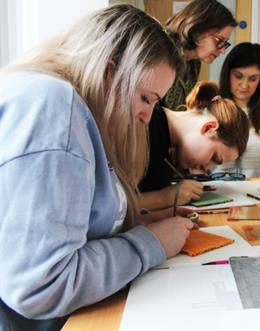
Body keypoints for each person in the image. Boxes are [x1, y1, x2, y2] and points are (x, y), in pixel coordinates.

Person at [0, 5, 188, 330]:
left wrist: (139, 222)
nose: (148, 116)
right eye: (146, 98)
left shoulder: (76, 112)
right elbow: (41, 286)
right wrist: (151, 242)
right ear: (108, 72)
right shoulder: (54, 105)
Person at [139, 81, 250, 210]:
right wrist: (164, 198)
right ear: (208, 127)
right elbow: (113, 206)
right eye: (214, 158)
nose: (207, 169)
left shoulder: (167, 145)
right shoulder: (145, 123)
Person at [214, 42, 260, 178]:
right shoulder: (210, 108)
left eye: (253, 79)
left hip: (255, 194)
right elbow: (196, 164)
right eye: (238, 76)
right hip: (214, 193)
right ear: (227, 73)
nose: (244, 85)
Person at [162, 0, 237, 111]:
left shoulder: (194, 63)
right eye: (220, 40)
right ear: (198, 29)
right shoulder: (162, 50)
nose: (222, 51)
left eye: (225, 44)